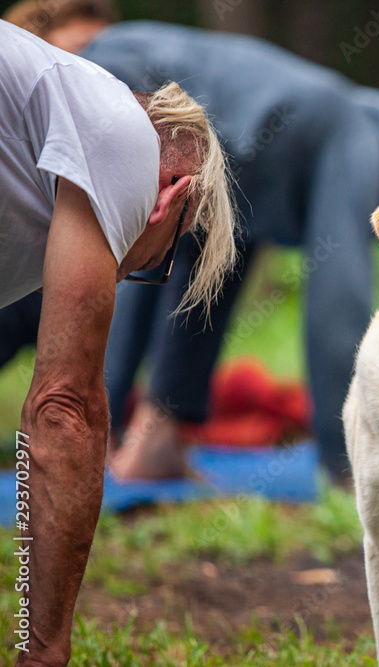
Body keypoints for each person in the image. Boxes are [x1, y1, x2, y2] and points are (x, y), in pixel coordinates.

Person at [2, 0, 379, 481]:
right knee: (195, 262)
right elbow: (133, 272)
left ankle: (353, 465)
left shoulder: (91, 71)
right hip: (256, 145)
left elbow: (122, 276)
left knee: (331, 274)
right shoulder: (84, 80)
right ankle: (158, 442)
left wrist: (96, 422)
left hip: (320, 126)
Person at [0, 19, 236, 666]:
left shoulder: (31, 171)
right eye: (156, 265)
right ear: (172, 196)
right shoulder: (121, 134)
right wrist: (41, 649)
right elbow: (60, 410)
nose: (138, 273)